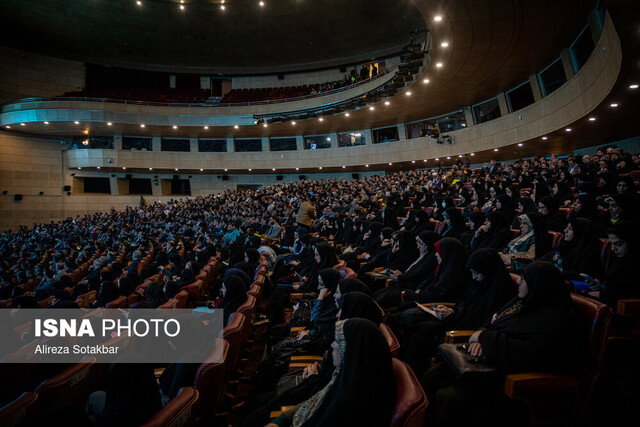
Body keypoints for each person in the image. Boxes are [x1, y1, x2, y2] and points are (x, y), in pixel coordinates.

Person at [423, 261, 584, 426]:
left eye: (524, 279)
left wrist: (485, 339)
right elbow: (495, 324)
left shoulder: (558, 321)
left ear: (538, 285)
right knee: (434, 376)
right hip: (489, 363)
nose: (519, 282)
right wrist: (484, 337)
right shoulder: (523, 303)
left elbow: (528, 353)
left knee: (450, 397)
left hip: (512, 381)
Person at [400, 249, 516, 376]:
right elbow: (464, 303)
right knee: (417, 327)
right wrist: (451, 310)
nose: (474, 277)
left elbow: (480, 320)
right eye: (472, 272)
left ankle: (410, 375)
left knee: (422, 333)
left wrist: (452, 315)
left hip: (466, 332)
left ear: (488, 271)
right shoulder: (477, 282)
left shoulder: (500, 292)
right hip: (456, 320)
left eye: (477, 273)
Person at [266, 318, 394, 427]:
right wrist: (282, 419)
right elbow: (319, 399)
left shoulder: (351, 402)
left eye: (338, 342)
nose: (332, 345)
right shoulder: (345, 376)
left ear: (351, 351)